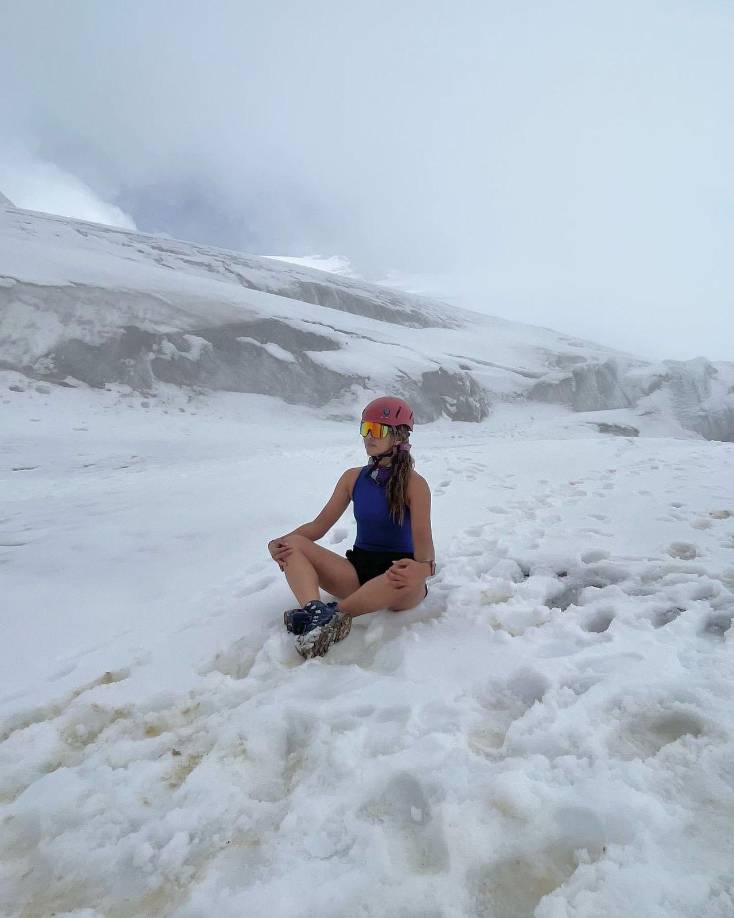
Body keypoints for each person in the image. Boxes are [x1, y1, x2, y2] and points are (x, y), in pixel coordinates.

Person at [267, 396, 436, 658]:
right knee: (293, 545)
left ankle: (334, 615)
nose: (368, 436)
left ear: (399, 436)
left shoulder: (415, 485)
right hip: (357, 574)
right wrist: (278, 543)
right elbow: (318, 526)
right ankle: (316, 612)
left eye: (377, 430)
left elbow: (424, 542)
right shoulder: (352, 478)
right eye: (364, 428)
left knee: (399, 574)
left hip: (400, 580)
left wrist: (422, 570)